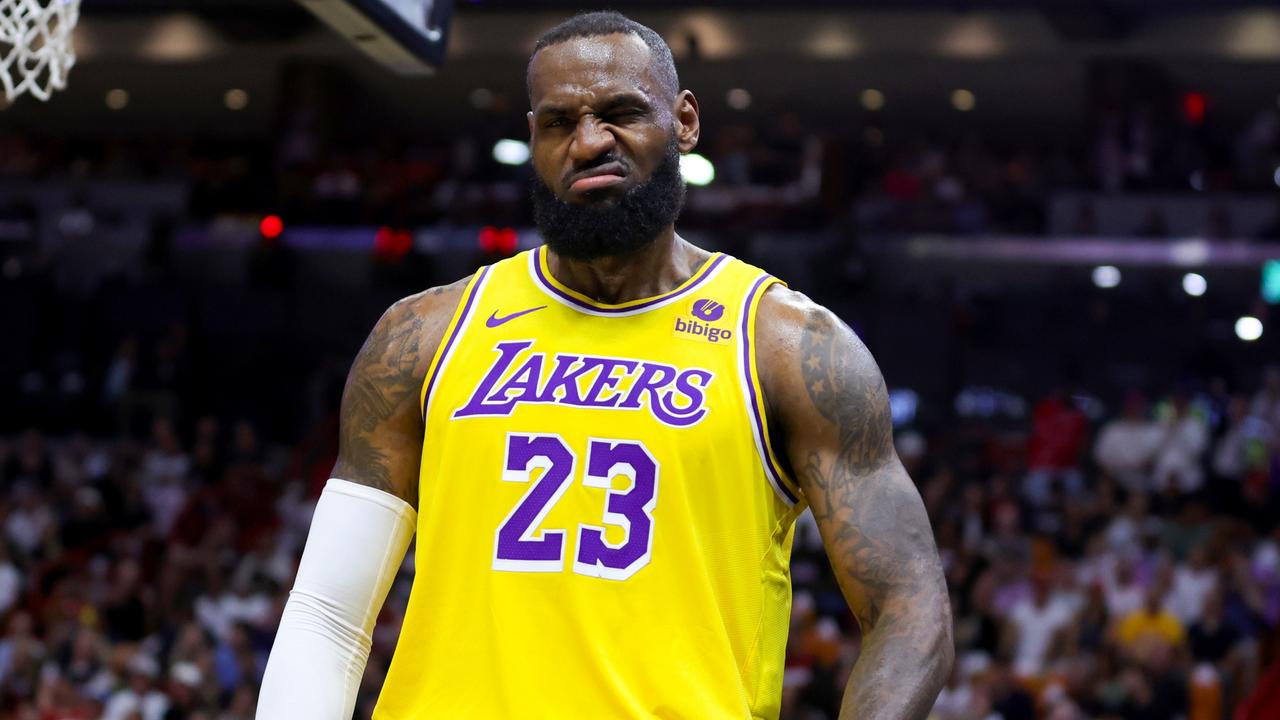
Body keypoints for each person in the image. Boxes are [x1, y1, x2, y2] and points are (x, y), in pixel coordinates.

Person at [256, 11, 952, 719]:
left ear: (684, 122)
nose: (589, 143)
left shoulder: (785, 345)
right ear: (534, 139)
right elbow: (328, 614)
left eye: (620, 113)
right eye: (559, 123)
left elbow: (909, 607)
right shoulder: (424, 335)